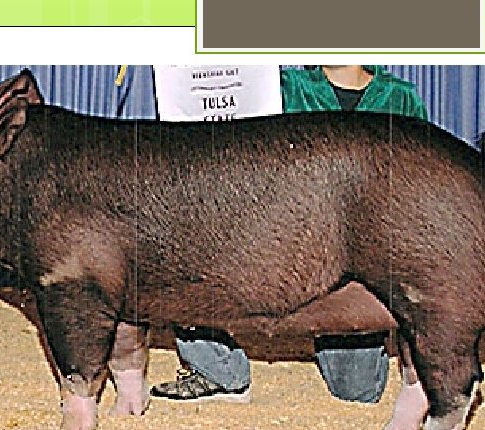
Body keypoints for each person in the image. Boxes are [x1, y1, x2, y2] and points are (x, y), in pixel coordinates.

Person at [150, 65, 428, 403]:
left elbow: (417, 180)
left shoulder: (400, 97)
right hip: (284, 239)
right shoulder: (284, 85)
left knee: (356, 389)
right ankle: (218, 371)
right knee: (189, 245)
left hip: (356, 259)